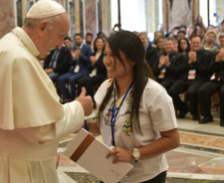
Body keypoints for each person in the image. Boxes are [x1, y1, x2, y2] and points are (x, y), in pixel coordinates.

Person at [0, 0, 93, 182]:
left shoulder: (7, 45)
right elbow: (40, 129)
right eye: (60, 36)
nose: (60, 45)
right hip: (13, 166)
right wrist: (79, 108)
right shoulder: (19, 58)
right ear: (42, 27)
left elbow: (23, 120)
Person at [84, 31, 179, 183]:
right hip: (111, 172)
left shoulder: (152, 93)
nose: (107, 61)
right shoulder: (105, 88)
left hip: (146, 176)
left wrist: (133, 154)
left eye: (113, 55)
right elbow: (108, 124)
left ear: (133, 58)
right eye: (106, 55)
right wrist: (84, 125)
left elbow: (172, 139)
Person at [198, 33, 224, 126]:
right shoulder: (214, 53)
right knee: (202, 90)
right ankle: (207, 116)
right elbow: (209, 69)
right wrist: (216, 61)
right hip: (217, 80)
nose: (223, 43)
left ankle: (222, 118)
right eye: (221, 41)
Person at [168, 36, 211, 120]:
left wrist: (195, 61)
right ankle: (184, 108)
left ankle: (194, 112)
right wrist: (189, 63)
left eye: (197, 43)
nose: (195, 44)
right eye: (193, 43)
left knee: (191, 92)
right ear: (190, 44)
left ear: (201, 44)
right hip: (186, 78)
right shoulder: (186, 55)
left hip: (199, 78)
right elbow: (180, 70)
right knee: (171, 91)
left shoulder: (207, 55)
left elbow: (205, 71)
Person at [58, 33, 92, 101]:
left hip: (83, 70)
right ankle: (67, 97)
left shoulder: (87, 48)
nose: (77, 41)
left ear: (82, 39)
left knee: (71, 79)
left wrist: (81, 56)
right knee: (60, 79)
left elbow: (89, 61)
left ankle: (72, 99)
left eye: (78, 39)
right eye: (75, 39)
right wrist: (73, 58)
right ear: (74, 40)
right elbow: (72, 64)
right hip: (74, 71)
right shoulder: (73, 48)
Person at [78, 37, 107, 105]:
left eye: (100, 42)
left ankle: (91, 102)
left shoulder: (105, 54)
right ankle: (83, 100)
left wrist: (96, 62)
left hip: (101, 74)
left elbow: (104, 68)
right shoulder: (92, 54)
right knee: (80, 81)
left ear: (103, 44)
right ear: (95, 44)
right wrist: (93, 64)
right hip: (91, 73)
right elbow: (88, 67)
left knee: (88, 80)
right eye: (97, 42)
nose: (99, 43)